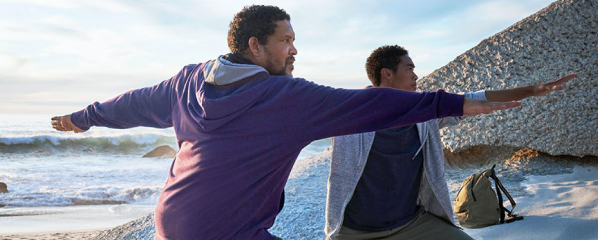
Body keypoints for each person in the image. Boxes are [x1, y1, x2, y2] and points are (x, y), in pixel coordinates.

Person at [51, 6, 519, 240]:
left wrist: (81, 117)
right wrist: (472, 101)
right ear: (255, 46)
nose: (294, 50)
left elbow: (130, 104)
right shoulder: (285, 98)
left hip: (172, 221)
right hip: (229, 231)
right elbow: (378, 105)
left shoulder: (188, 81)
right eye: (287, 40)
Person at [324, 45, 576, 240]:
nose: (416, 75)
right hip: (355, 232)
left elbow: (475, 98)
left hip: (412, 224)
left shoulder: (424, 111)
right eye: (409, 68)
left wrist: (532, 90)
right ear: (387, 74)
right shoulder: (351, 113)